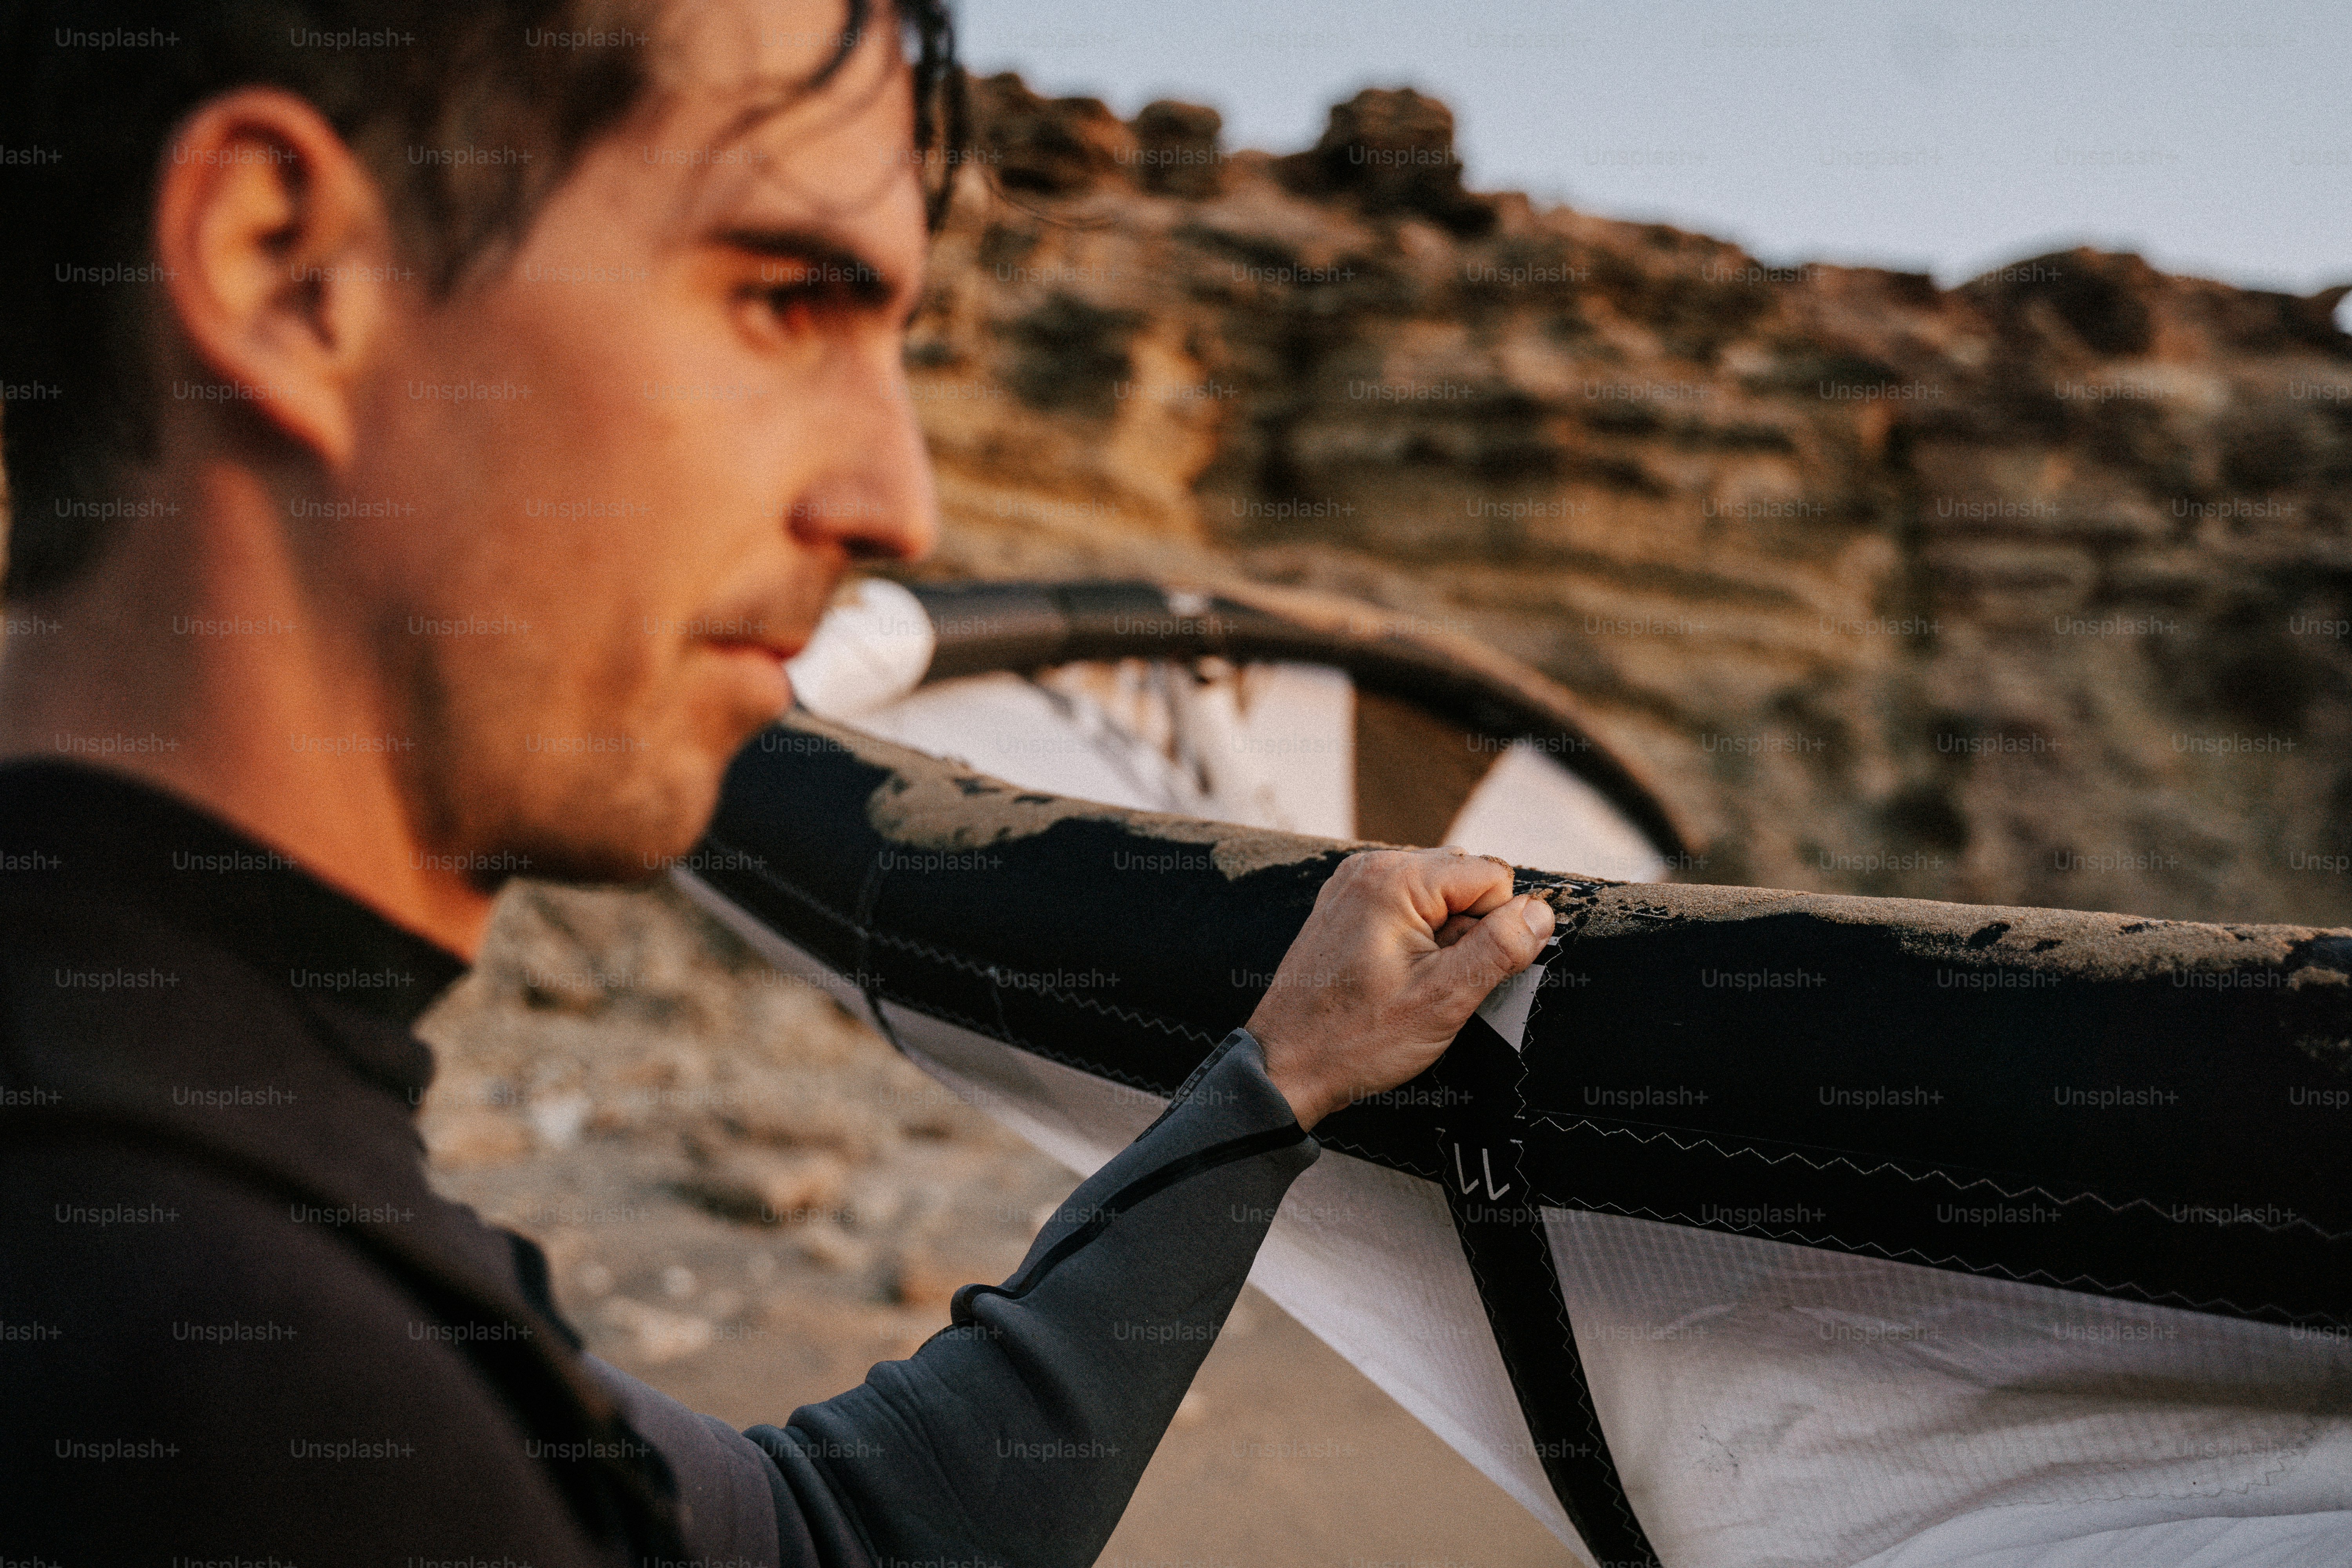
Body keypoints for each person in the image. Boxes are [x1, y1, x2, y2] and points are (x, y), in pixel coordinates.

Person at [0, 3, 1559, 1563]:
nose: (901, 504)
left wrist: (1272, 1083)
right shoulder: (257, 1380)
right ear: (286, 270)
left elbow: (833, 1536)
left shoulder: (218, 1220)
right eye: (781, 300)